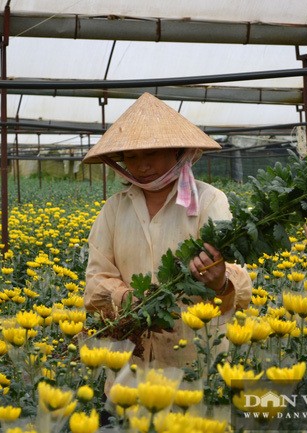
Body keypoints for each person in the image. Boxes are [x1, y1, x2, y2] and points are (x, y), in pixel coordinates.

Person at [82, 92, 252, 367]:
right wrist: (125, 298)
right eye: (132, 156)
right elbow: (95, 281)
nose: (141, 166)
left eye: (151, 153)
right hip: (129, 362)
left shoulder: (209, 201)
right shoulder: (114, 209)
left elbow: (240, 281)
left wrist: (220, 282)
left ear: (177, 151)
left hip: (195, 358)